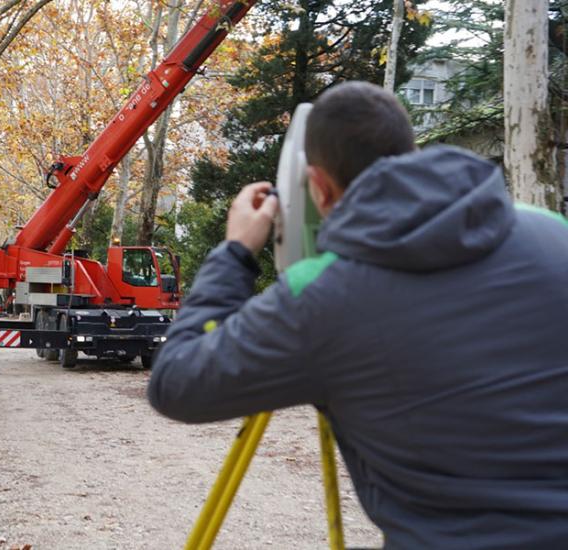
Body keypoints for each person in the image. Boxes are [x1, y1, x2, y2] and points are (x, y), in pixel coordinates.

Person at [148, 81, 568, 547]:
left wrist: (234, 254)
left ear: (319, 188)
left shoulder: (324, 296)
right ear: (409, 151)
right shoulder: (553, 233)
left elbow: (176, 383)